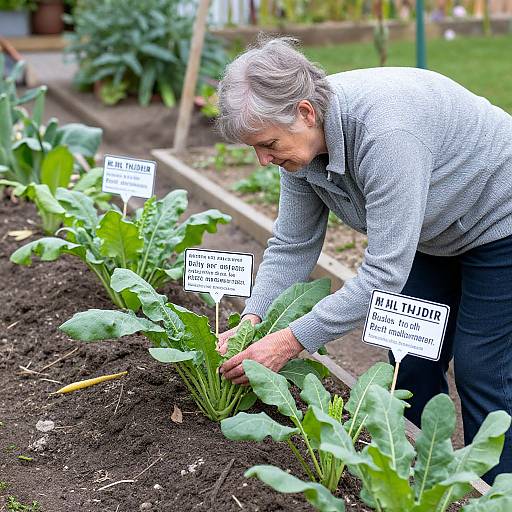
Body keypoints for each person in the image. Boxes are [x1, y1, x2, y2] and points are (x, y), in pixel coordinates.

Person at [214, 37, 512, 483]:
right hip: (433, 232)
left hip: (499, 218)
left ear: (305, 112)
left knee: (480, 368)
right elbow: (293, 245)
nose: (263, 160)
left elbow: (383, 274)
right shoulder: (300, 152)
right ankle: (418, 483)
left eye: (268, 144)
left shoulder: (387, 134)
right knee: (408, 360)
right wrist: (255, 319)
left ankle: (496, 492)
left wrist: (292, 340)